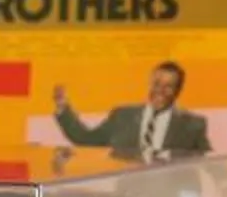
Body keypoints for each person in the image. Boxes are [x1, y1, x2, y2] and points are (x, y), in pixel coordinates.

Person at [53, 61, 210, 160]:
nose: (160, 90)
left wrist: (225, 184)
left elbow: (210, 159)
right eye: (156, 83)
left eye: (168, 86)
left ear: (178, 90)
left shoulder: (192, 125)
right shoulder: (122, 116)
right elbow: (85, 139)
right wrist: (63, 108)